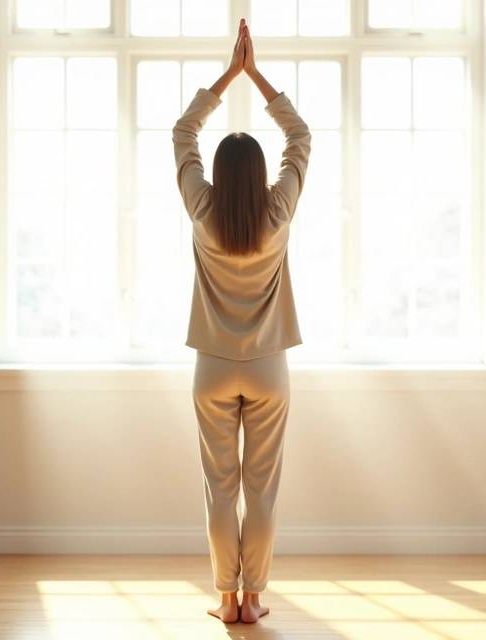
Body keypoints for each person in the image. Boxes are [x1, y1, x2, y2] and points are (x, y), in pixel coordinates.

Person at [172, 18, 312, 624]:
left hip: (211, 367)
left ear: (218, 178)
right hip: (269, 369)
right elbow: (300, 137)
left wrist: (227, 74)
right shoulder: (277, 211)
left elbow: (183, 134)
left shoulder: (203, 211)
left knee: (218, 487)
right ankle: (254, 599)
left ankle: (226, 602)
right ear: (256, 178)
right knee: (261, 490)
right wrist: (255, 75)